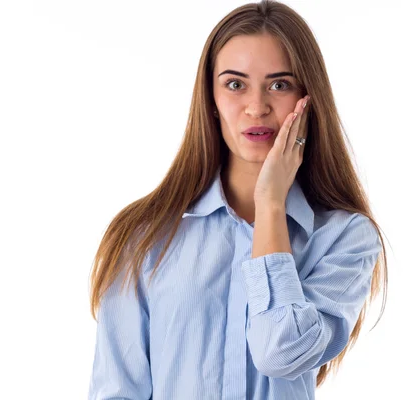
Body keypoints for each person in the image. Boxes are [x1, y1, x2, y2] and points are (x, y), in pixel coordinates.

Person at [88, 0, 388, 398]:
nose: (257, 106)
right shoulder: (144, 235)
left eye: (279, 84)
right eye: (235, 84)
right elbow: (117, 391)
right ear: (210, 99)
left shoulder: (344, 238)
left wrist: (271, 206)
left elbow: (279, 353)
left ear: (308, 98)